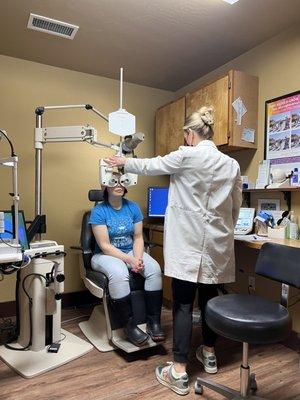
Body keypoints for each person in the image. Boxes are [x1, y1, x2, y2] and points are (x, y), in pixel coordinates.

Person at [105, 106, 242, 395]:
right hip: (216, 245)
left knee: (182, 303)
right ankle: (209, 354)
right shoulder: (231, 165)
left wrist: (122, 161)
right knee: (208, 301)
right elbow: (235, 207)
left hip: (189, 244)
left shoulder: (186, 155)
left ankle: (178, 371)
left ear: (189, 134)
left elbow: (151, 165)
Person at [89, 173, 165, 347]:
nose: (118, 184)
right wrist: (129, 261)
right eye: (113, 181)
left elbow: (138, 238)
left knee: (154, 269)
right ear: (105, 186)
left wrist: (137, 259)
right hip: (104, 255)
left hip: (131, 251)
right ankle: (128, 325)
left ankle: (154, 322)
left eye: (122, 181)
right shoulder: (98, 211)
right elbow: (105, 245)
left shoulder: (133, 207)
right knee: (119, 272)